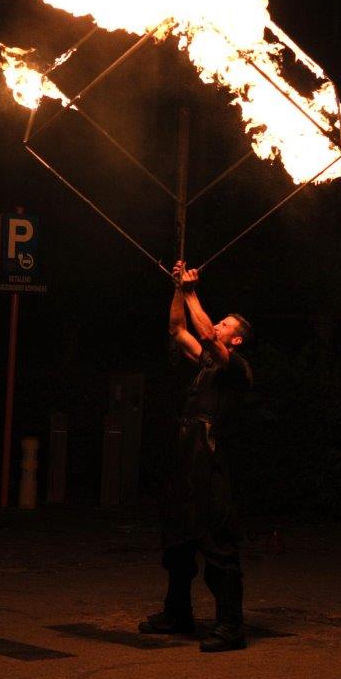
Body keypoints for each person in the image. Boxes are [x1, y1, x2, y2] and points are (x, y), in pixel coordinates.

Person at [139, 261, 253, 653]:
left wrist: (191, 292)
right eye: (218, 322)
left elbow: (204, 333)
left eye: (225, 326)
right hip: (186, 458)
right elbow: (177, 329)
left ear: (235, 340)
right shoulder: (204, 363)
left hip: (212, 464)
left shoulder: (236, 368)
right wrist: (177, 288)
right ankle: (177, 614)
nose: (216, 327)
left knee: (217, 546)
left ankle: (231, 627)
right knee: (177, 541)